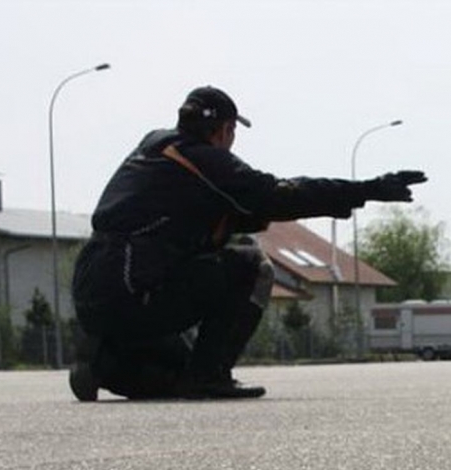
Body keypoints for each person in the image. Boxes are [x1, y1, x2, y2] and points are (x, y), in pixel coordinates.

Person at [68, 86, 426, 401]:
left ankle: (103, 360)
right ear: (225, 130)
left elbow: (212, 211)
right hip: (135, 287)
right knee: (251, 265)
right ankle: (209, 376)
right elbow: (278, 194)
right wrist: (366, 189)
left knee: (176, 372)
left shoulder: (154, 148)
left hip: (94, 290)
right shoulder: (203, 160)